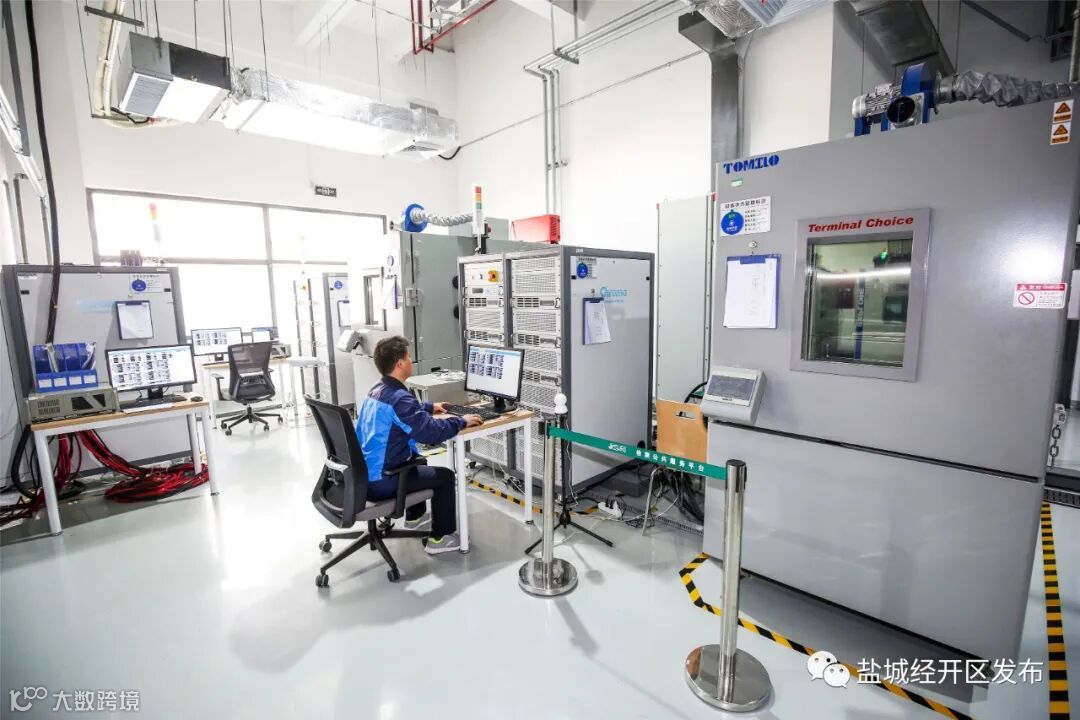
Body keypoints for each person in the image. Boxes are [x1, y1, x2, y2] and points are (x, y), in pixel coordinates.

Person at [356, 336, 483, 555]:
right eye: (408, 357)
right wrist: (461, 421)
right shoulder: (399, 398)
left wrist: (428, 407)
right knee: (445, 477)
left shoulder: (377, 390)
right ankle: (440, 538)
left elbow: (402, 413)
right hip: (382, 480)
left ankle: (414, 518)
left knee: (416, 460)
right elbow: (429, 433)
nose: (411, 360)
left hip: (364, 474)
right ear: (399, 363)